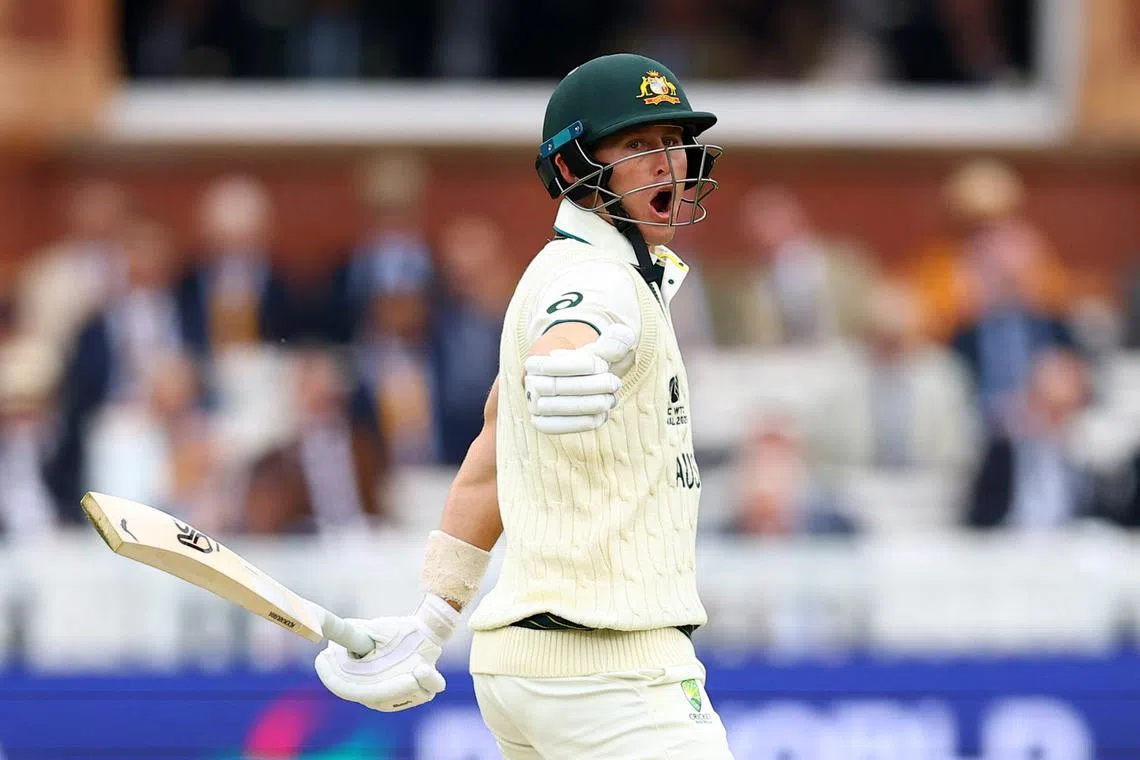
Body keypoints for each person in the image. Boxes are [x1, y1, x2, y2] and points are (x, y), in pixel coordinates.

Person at [313, 53, 735, 758]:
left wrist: (434, 616)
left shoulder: (566, 270)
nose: (670, 164)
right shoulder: (597, 279)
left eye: (675, 143)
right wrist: (565, 364)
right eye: (638, 146)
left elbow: (491, 456)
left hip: (522, 675)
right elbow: (572, 336)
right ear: (572, 169)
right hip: (612, 671)